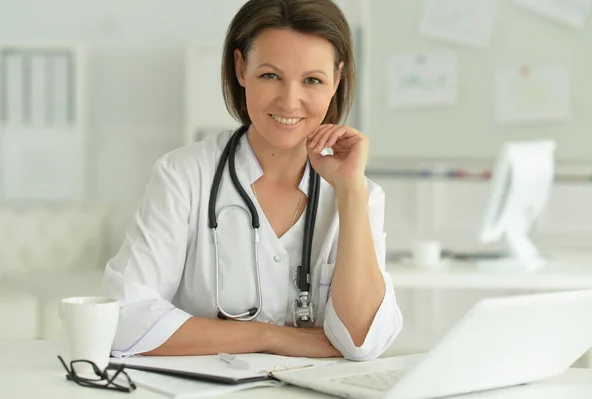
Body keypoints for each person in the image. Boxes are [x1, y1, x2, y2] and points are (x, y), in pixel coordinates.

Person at [101, 0, 402, 361]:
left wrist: (351, 193)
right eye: (270, 75)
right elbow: (121, 318)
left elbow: (360, 342)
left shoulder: (360, 194)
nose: (290, 101)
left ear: (336, 80)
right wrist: (270, 337)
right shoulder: (184, 175)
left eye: (312, 80)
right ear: (241, 68)